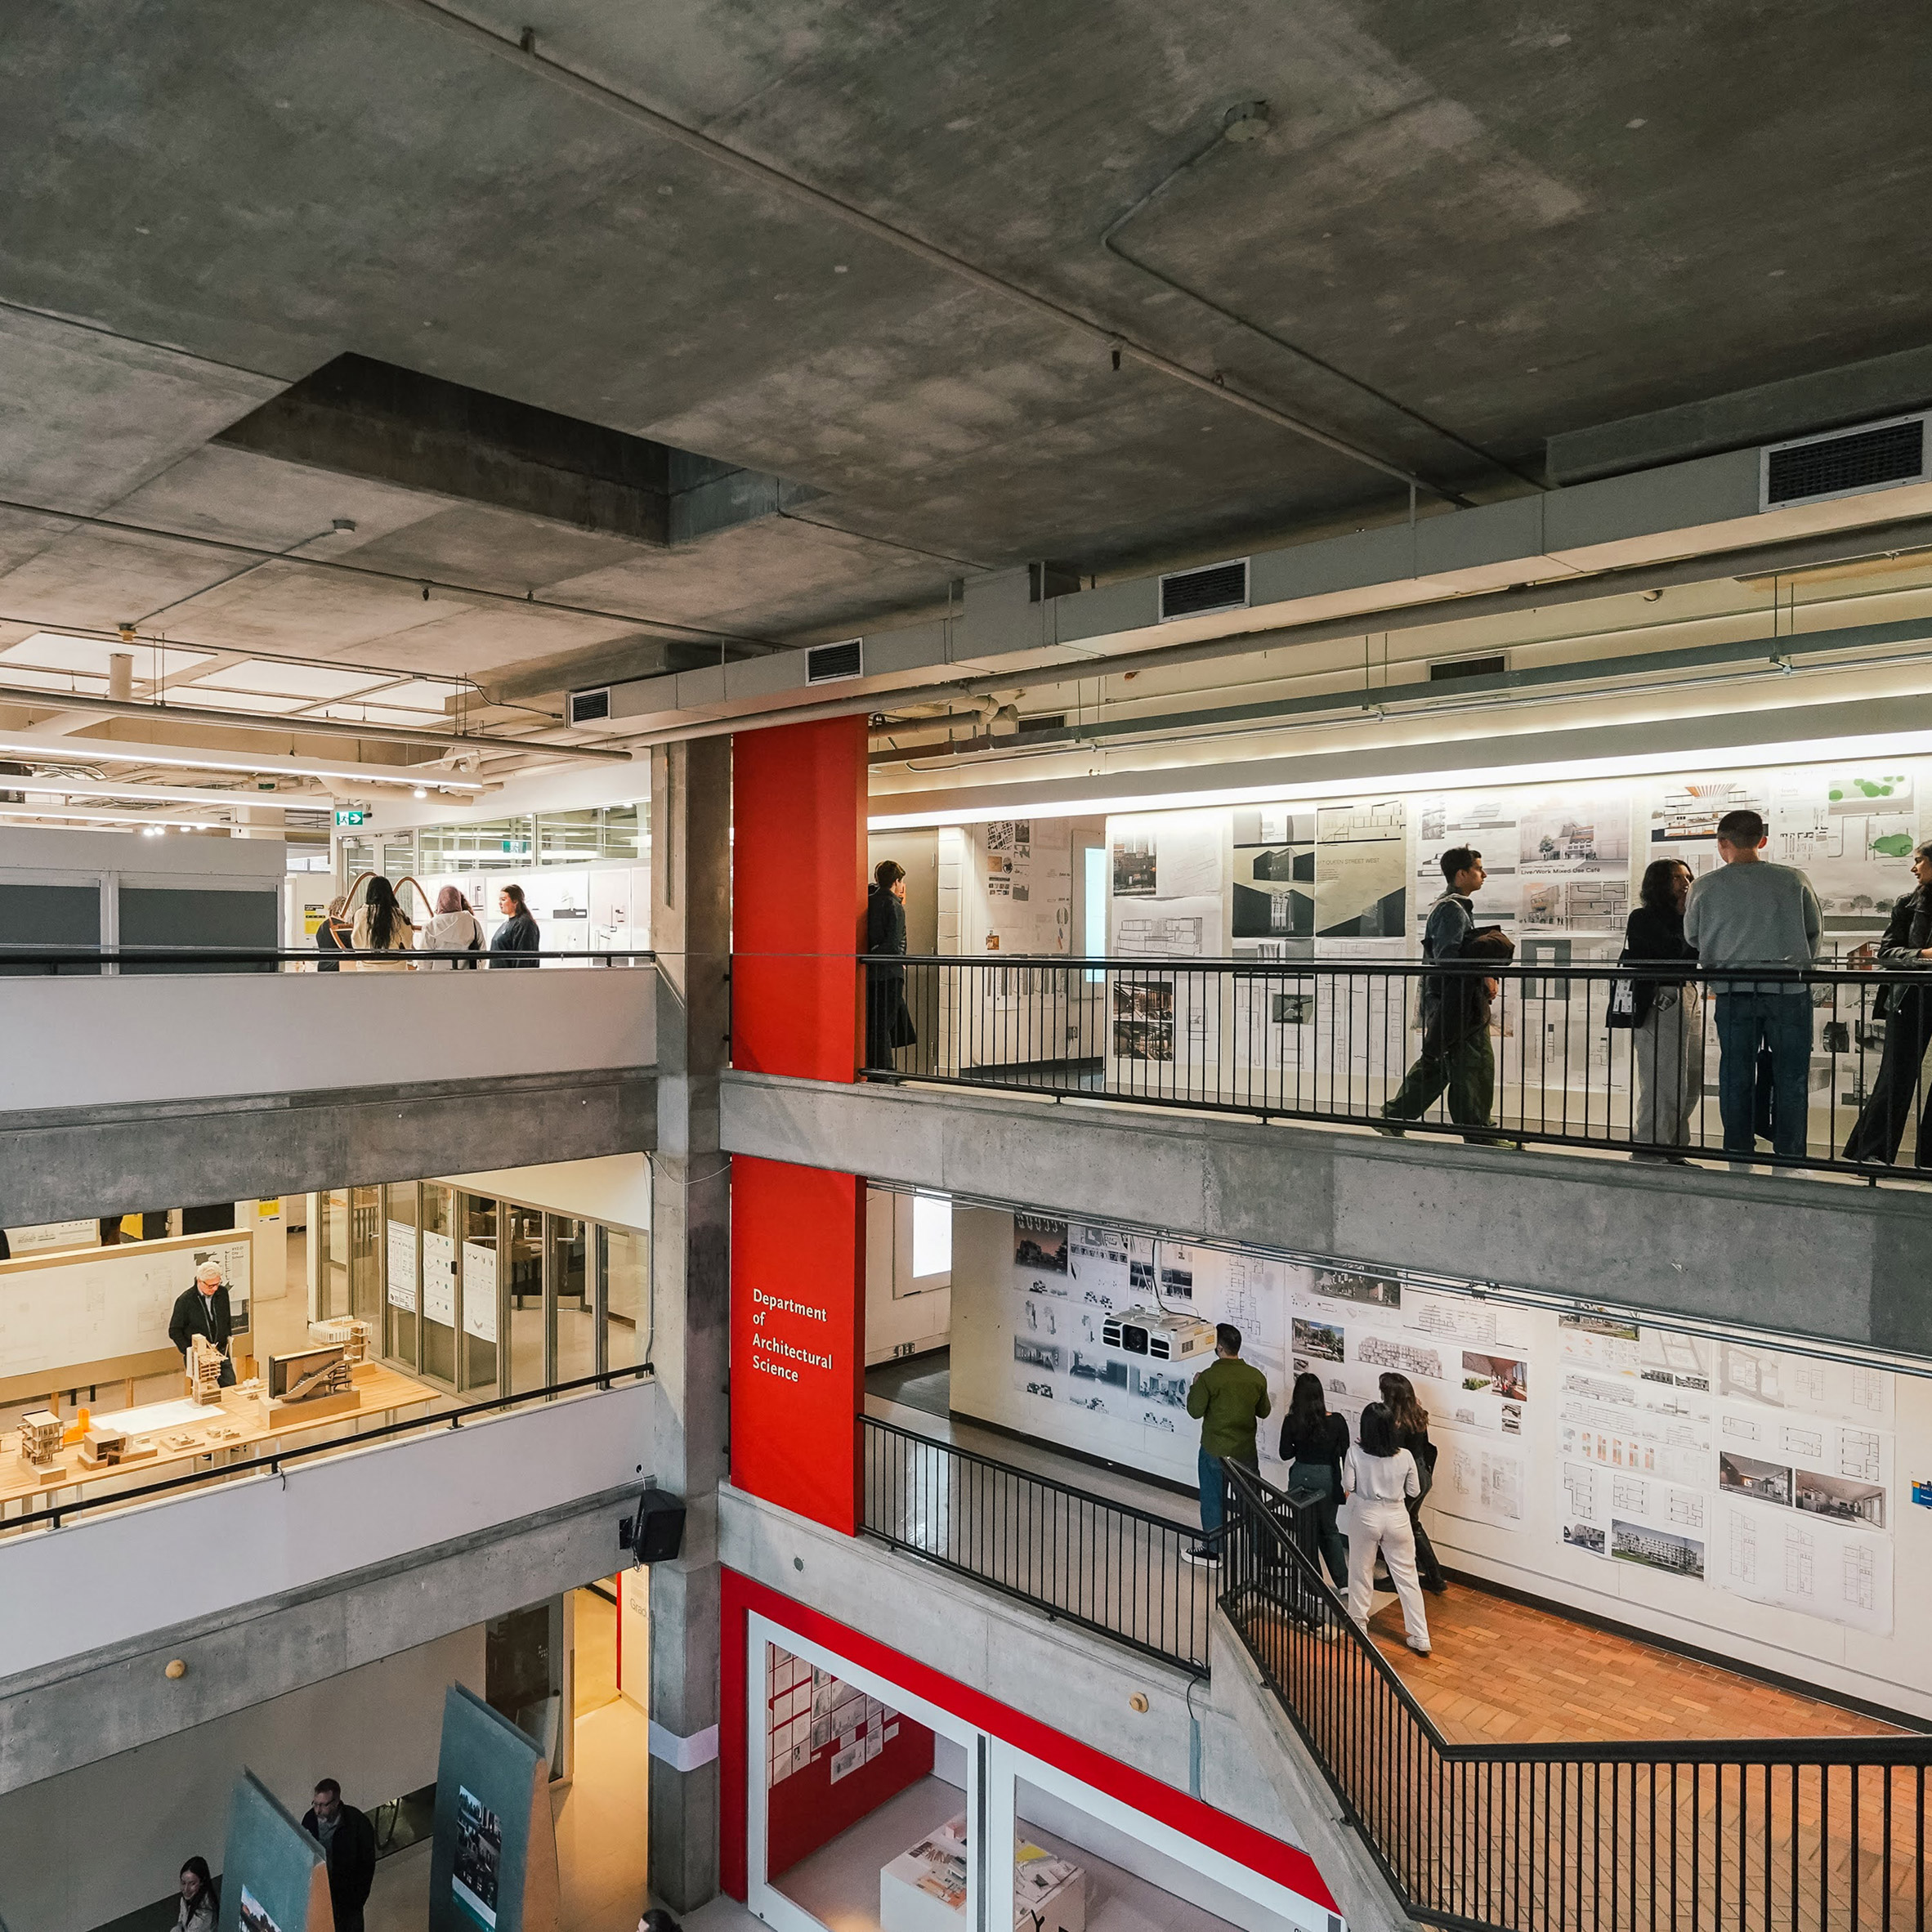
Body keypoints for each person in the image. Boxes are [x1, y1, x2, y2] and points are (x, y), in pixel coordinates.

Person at [1684, 808, 1822, 1162]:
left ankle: (1738, 1149)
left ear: (1721, 843)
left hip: (1733, 990)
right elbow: (1813, 933)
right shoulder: (1794, 880)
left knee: (1735, 1072)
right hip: (1788, 989)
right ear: (1762, 841)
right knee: (1791, 1075)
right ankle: (1790, 1154)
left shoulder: (1704, 886)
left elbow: (1692, 936)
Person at [1380, 847, 1500, 1139]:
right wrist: (1483, 975)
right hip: (1457, 1003)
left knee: (1441, 1063)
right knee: (1475, 1064)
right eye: (1478, 869)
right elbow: (1449, 958)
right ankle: (1478, 1132)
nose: (1483, 875)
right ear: (1461, 874)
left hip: (1450, 1002)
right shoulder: (1452, 910)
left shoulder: (1450, 907)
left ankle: (1394, 1116)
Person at [1842, 840, 1932, 1166]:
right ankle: (1870, 1153)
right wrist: (1923, 955)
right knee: (1896, 1075)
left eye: (1919, 861)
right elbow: (1886, 953)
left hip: (1914, 992)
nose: (1914, 868)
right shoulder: (1908, 903)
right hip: (1910, 994)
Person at [1623, 858, 1703, 1158]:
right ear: (1659, 884)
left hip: (1687, 994)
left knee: (1690, 1078)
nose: (1685, 883)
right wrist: (1686, 916)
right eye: (1676, 878)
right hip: (1661, 999)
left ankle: (1675, 1147)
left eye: (1688, 876)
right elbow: (1673, 953)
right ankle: (1649, 1149)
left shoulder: (1689, 916)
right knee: (1663, 1079)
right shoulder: (1642, 917)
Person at [1342, 1401, 1431, 1655]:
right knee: (1408, 1578)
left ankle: (1359, 1623)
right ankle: (1420, 1635)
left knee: (1361, 1570)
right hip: (1397, 1516)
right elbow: (1414, 1490)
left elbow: (1348, 1483)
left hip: (1366, 1514)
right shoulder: (1405, 1456)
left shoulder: (1355, 1453)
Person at [1182, 1322, 1272, 1566]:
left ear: (1219, 1347)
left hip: (1214, 1450)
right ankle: (1263, 1553)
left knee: (1213, 1500)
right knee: (1252, 1503)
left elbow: (1194, 1411)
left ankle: (1213, 1551)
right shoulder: (1256, 1376)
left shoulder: (1209, 1378)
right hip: (1245, 1452)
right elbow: (1264, 1411)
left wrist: (1195, 1385)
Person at [1277, 1371, 1349, 1589]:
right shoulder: (1337, 1421)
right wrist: (1346, 1484)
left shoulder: (1291, 1421)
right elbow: (1347, 1454)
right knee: (1329, 1528)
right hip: (1328, 1476)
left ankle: (1312, 1586)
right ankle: (1343, 1582)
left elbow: (1285, 1454)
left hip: (1301, 1475)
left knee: (1305, 1532)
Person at [1378, 1372, 1446, 1594]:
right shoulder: (1417, 1414)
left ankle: (1396, 1577)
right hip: (1422, 1474)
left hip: (1406, 1477)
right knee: (1413, 1524)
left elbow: (1392, 1455)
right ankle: (1435, 1577)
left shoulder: (1395, 1423)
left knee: (1394, 1529)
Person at [301, 1778, 377, 1932]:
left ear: (336, 1803)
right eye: (315, 1804)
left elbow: (367, 1865)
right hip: (321, 1894)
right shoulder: (309, 1820)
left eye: (323, 1805)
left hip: (348, 1900)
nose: (318, 1810)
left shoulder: (357, 1823)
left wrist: (357, 1900)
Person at [865, 859, 917, 1070]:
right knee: (885, 1024)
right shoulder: (894, 905)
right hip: (890, 972)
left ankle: (874, 1067)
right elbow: (894, 941)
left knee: (874, 1023)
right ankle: (885, 1070)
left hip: (871, 973)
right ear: (897, 881)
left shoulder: (868, 901)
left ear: (877, 879)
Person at [167, 1259, 236, 1388]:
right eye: (211, 1286)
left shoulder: (222, 1293)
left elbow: (226, 1320)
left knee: (230, 1387)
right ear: (199, 1281)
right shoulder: (185, 1300)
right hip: (199, 1356)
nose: (215, 1289)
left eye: (217, 1284)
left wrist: (227, 1338)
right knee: (202, 1392)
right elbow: (174, 1330)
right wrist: (189, 1351)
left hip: (220, 1352)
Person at [347, 875, 414, 971]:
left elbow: (356, 941)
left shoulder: (361, 914)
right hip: (396, 968)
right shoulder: (398, 914)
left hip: (367, 969)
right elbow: (408, 941)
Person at [419, 884, 485, 968]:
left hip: (438, 978)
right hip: (467, 977)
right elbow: (482, 953)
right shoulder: (473, 922)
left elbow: (424, 962)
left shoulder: (430, 926)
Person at [490, 882, 541, 966]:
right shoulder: (507, 923)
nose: (500, 903)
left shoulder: (524, 924)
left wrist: (517, 977)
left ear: (515, 902)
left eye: (503, 900)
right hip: (498, 976)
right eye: (500, 900)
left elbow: (523, 959)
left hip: (511, 977)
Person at [173, 1856, 218, 1932]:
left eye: (192, 1883)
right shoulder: (186, 1898)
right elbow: (182, 1918)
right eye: (183, 1883)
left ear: (202, 1882)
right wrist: (178, 1926)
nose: (186, 1889)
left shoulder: (206, 1912)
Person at [314, 894, 353, 972]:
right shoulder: (340, 928)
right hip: (339, 968)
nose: (351, 914)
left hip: (323, 967)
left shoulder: (321, 927)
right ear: (340, 910)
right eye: (349, 910)